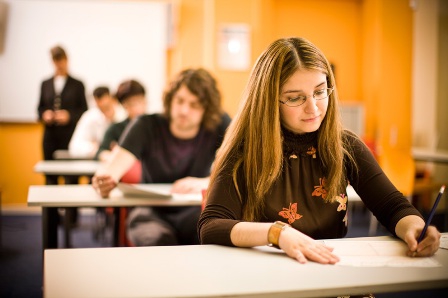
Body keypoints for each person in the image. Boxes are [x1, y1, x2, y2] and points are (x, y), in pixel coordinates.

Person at [198, 37, 440, 265]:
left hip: (328, 268)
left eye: (320, 91)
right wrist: (277, 233)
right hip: (266, 271)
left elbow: (393, 207)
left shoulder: (345, 145)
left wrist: (414, 226)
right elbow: (211, 226)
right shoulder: (244, 151)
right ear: (268, 102)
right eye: (295, 98)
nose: (313, 108)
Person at [92, 68, 231, 246]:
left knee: (213, 238)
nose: (184, 110)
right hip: (149, 211)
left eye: (194, 105)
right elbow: (112, 170)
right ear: (170, 98)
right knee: (158, 241)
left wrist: (208, 181)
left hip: (195, 211)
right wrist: (103, 181)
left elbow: (244, 170)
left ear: (207, 109)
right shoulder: (145, 125)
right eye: (179, 101)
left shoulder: (219, 124)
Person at [37, 45, 88, 185]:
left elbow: (84, 111)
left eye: (61, 60)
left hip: (69, 136)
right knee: (50, 177)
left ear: (67, 60)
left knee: (71, 177)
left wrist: (69, 116)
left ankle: (71, 208)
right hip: (50, 137)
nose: (59, 64)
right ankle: (50, 208)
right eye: (55, 60)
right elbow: (39, 109)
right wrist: (45, 115)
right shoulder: (45, 83)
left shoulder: (78, 84)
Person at [95, 79, 147, 163]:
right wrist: (111, 156)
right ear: (124, 106)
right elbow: (101, 152)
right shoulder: (116, 129)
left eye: (140, 101)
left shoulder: (153, 126)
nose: (138, 108)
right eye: (132, 104)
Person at [68, 86, 127, 159]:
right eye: (100, 108)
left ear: (114, 100)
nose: (105, 112)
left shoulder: (125, 116)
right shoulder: (90, 117)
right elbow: (74, 147)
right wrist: (96, 149)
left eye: (107, 107)